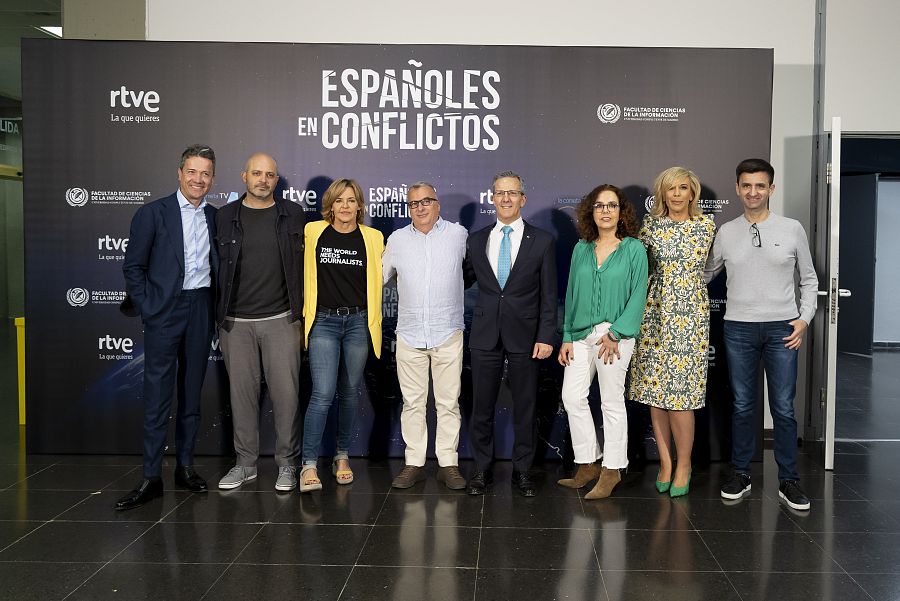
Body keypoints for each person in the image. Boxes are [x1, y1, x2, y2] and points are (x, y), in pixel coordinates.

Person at [705, 158, 817, 511]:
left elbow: (809, 279)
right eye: (746, 185)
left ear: (771, 189)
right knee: (742, 405)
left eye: (760, 185)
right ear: (737, 188)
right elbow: (704, 275)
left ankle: (788, 480)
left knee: (783, 408)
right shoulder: (725, 232)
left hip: (783, 328)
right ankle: (741, 473)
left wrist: (805, 319)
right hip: (738, 328)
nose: (753, 192)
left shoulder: (792, 228)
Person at [117, 144, 218, 510]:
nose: (198, 179)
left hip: (201, 308)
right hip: (164, 312)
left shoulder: (215, 218)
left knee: (191, 395)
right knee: (158, 396)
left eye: (205, 173)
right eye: (192, 171)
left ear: (212, 179)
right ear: (179, 173)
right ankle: (151, 476)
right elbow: (133, 267)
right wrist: (149, 307)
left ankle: (186, 467)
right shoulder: (152, 213)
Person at [215, 153, 305, 492]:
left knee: (287, 397)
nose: (263, 180)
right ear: (244, 176)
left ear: (276, 180)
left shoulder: (292, 214)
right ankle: (245, 464)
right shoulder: (224, 217)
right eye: (257, 173)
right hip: (235, 323)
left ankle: (287, 465)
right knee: (242, 397)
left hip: (281, 320)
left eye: (269, 175)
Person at [464, 170, 557, 497]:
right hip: (485, 334)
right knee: (482, 406)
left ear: (523, 199)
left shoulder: (542, 240)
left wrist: (546, 335)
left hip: (527, 335)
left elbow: (549, 294)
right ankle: (481, 469)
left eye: (512, 193)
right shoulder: (476, 240)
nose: (506, 198)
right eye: (500, 193)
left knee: (525, 406)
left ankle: (523, 471)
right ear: (492, 198)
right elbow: (460, 279)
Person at [629, 166, 715, 498]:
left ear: (693, 193)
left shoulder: (706, 226)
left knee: (682, 398)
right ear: (662, 194)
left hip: (690, 320)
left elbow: (712, 269)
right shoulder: (649, 227)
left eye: (683, 188)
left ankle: (685, 465)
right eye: (671, 189)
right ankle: (665, 462)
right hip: (653, 316)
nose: (677, 194)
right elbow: (640, 272)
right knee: (656, 395)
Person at [557, 185, 648, 499]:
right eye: (599, 206)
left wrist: (617, 333)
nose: (605, 211)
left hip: (614, 336)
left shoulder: (634, 249)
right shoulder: (581, 248)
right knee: (572, 397)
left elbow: (639, 296)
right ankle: (587, 462)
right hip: (581, 335)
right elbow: (571, 295)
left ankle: (612, 469)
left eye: (612, 205)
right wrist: (567, 336)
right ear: (590, 211)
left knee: (611, 401)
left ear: (621, 211)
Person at [299, 178, 384, 492]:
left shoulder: (374, 238)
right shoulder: (313, 232)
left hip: (359, 323)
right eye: (339, 200)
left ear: (360, 205)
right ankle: (308, 464)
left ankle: (342, 455)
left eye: (351, 200)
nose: (345, 206)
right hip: (323, 322)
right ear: (330, 205)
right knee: (322, 393)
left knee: (349, 392)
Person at [383, 182, 469, 490]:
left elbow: (472, 272)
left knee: (448, 402)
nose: (420, 207)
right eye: (414, 203)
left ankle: (448, 464)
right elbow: (377, 279)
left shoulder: (459, 236)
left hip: (447, 332)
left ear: (438, 204)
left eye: (426, 201)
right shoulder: (396, 240)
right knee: (412, 403)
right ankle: (414, 463)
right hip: (408, 334)